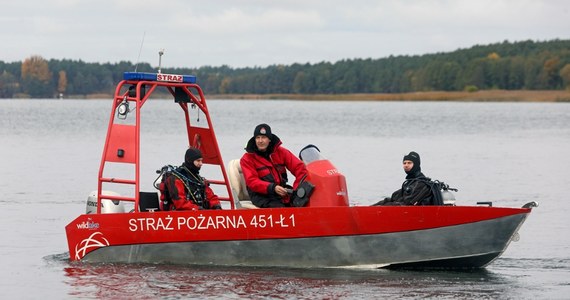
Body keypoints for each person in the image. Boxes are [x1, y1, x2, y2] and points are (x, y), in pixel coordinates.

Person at [240, 123, 308, 208]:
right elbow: (252, 182)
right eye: (258, 138)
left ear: (270, 139)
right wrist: (272, 188)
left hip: (281, 193)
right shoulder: (247, 159)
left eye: (263, 137)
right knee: (281, 208)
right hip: (261, 196)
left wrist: (297, 189)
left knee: (303, 202)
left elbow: (300, 168)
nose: (260, 141)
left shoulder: (281, 152)